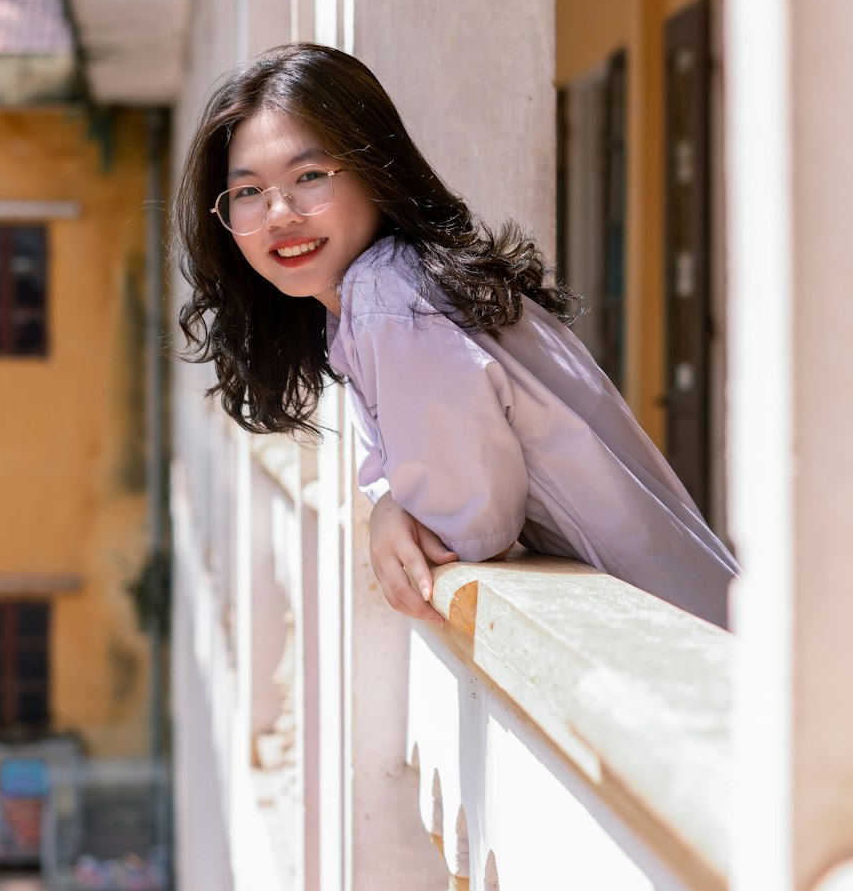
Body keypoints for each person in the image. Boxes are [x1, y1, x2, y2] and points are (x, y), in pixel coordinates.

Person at [175, 42, 738, 630]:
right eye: (247, 192)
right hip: (686, 622)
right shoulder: (374, 298)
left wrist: (394, 508)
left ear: (375, 170)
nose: (280, 213)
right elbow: (407, 471)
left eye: (310, 176)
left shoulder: (389, 298)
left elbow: (471, 526)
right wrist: (392, 501)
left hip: (677, 640)